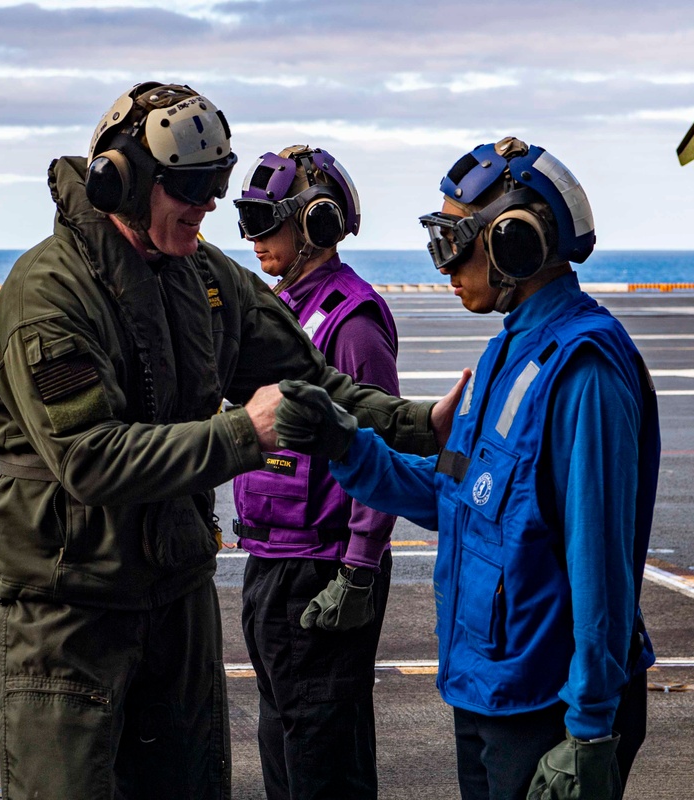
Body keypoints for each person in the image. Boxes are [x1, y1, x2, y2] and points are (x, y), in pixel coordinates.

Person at [0, 82, 443, 800]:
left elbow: (311, 382)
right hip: (68, 607)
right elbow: (88, 458)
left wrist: (420, 423)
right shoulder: (49, 293)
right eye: (189, 187)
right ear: (122, 181)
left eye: (215, 185)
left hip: (175, 594)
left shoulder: (204, 281)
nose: (209, 206)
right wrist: (240, 434)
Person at [272, 137, 661, 800]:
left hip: (547, 706)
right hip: (487, 689)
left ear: (515, 243)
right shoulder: (505, 356)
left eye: (457, 241)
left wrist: (591, 729)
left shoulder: (584, 371)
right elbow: (454, 496)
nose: (444, 264)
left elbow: (601, 565)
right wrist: (348, 446)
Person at [232, 145, 399, 799]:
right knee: (287, 742)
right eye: (247, 220)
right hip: (274, 562)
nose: (252, 238)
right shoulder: (283, 314)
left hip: (323, 572)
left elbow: (381, 446)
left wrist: (357, 568)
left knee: (320, 760)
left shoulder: (351, 324)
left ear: (317, 225)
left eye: (265, 220)